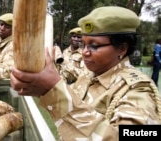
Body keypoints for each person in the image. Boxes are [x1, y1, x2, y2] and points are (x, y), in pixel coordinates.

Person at [10, 6, 161, 140]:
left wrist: (54, 92)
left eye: (94, 46)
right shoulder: (88, 75)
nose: (85, 52)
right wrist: (41, 85)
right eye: (84, 44)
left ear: (122, 48)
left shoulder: (138, 91)